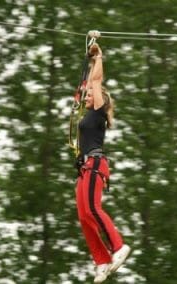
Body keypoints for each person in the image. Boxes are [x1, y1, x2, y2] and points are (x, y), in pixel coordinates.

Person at [75, 43, 131, 283]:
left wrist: (98, 57)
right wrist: (89, 61)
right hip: (85, 168)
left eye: (91, 94)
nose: (87, 95)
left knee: (93, 209)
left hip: (96, 164)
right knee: (84, 215)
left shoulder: (98, 110)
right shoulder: (88, 113)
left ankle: (118, 247)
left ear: (101, 101)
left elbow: (96, 82)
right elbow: (89, 83)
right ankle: (101, 260)